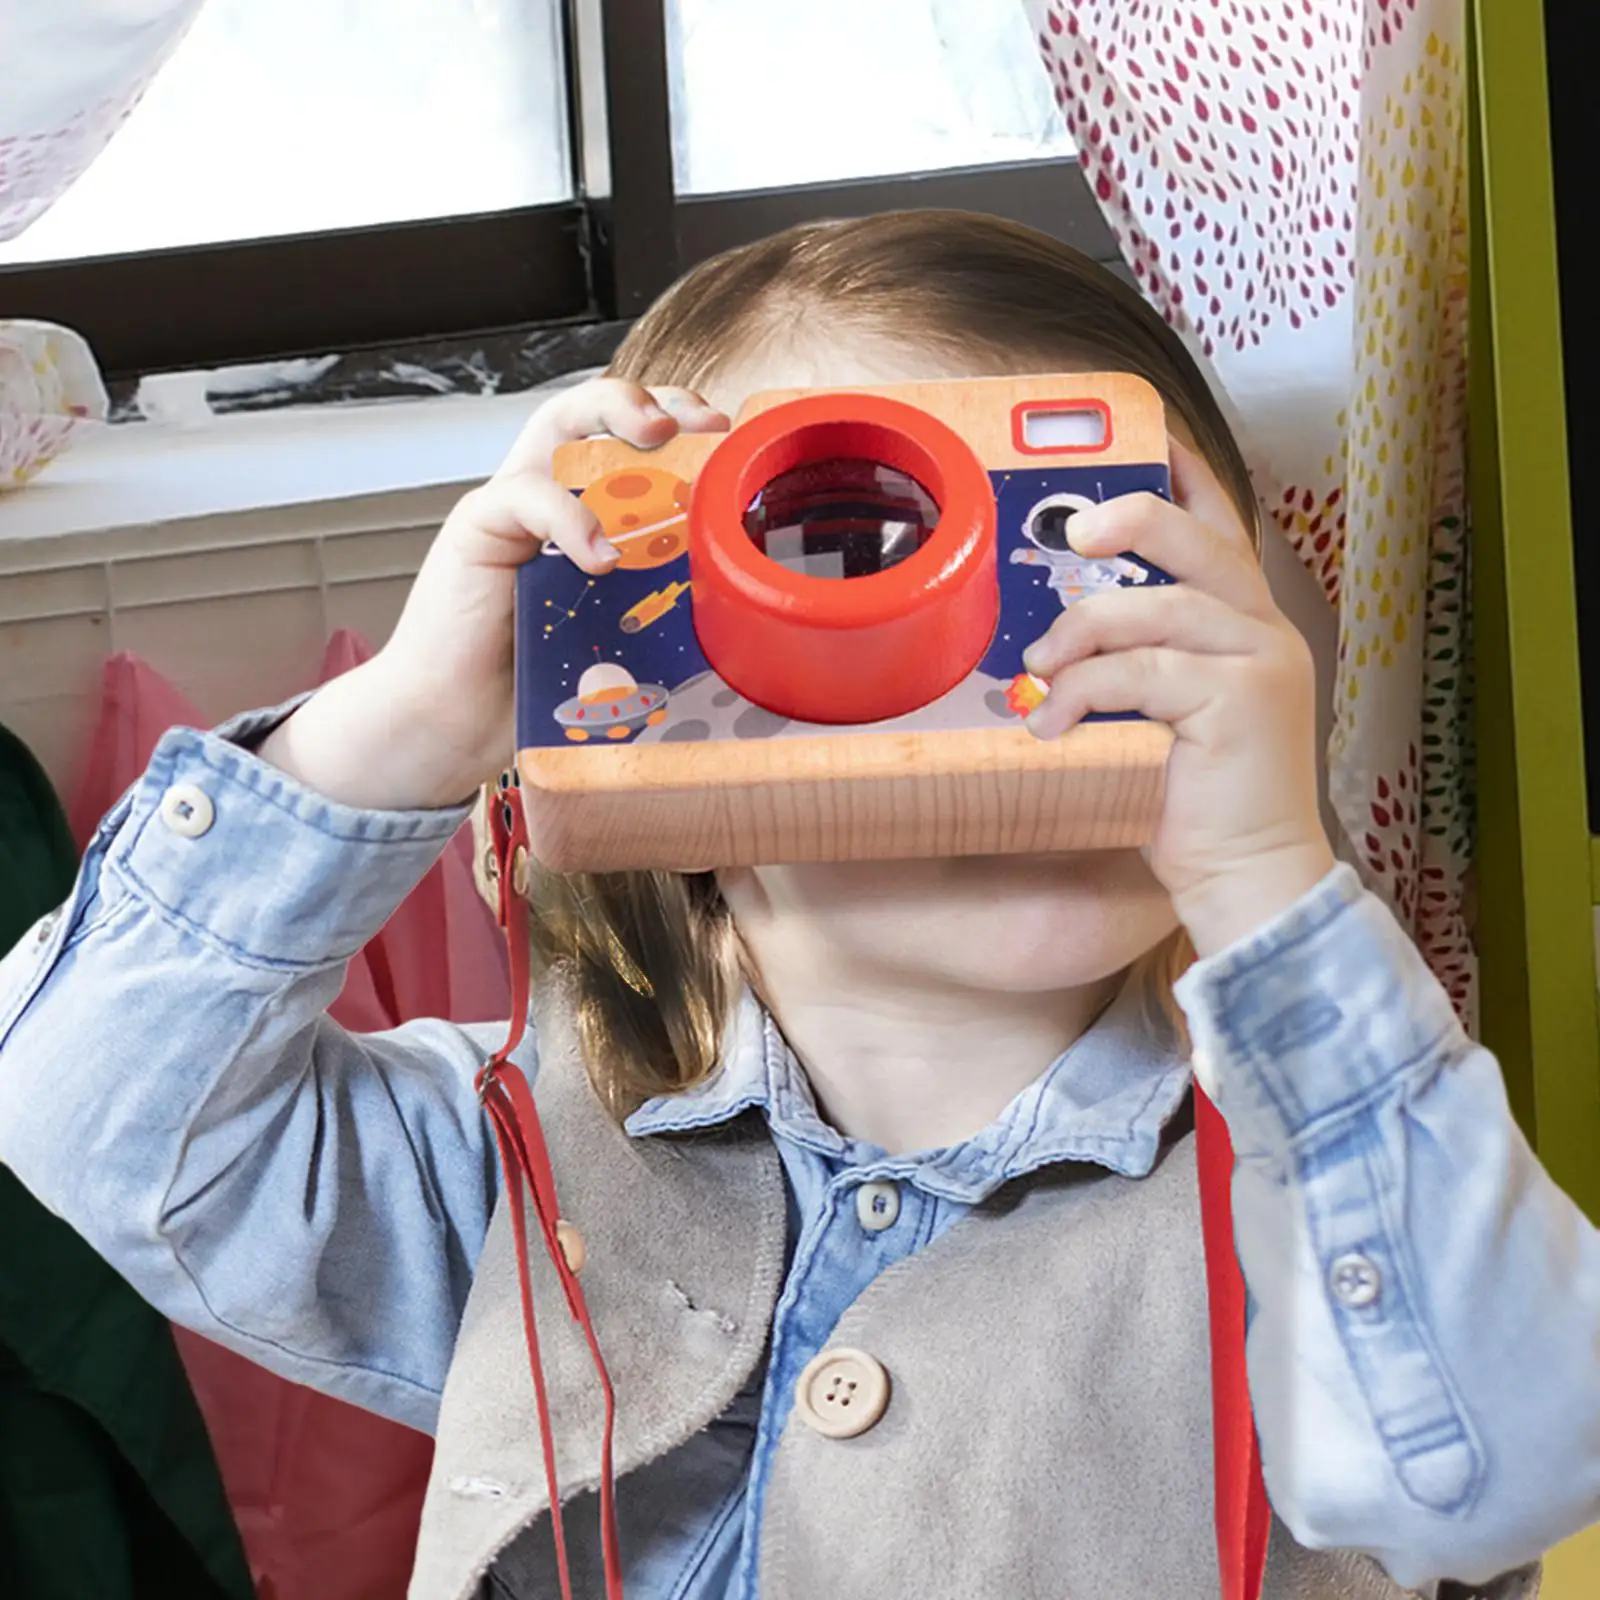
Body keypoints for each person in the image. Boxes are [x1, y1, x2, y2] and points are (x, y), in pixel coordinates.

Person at [0, 213, 1590, 1600]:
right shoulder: (537, 1178)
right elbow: (95, 1113)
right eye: (851, 559)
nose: (1032, 685)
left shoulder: (1322, 1200)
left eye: (1114, 574)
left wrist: (1267, 889)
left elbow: (1500, 1465)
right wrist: (409, 722)